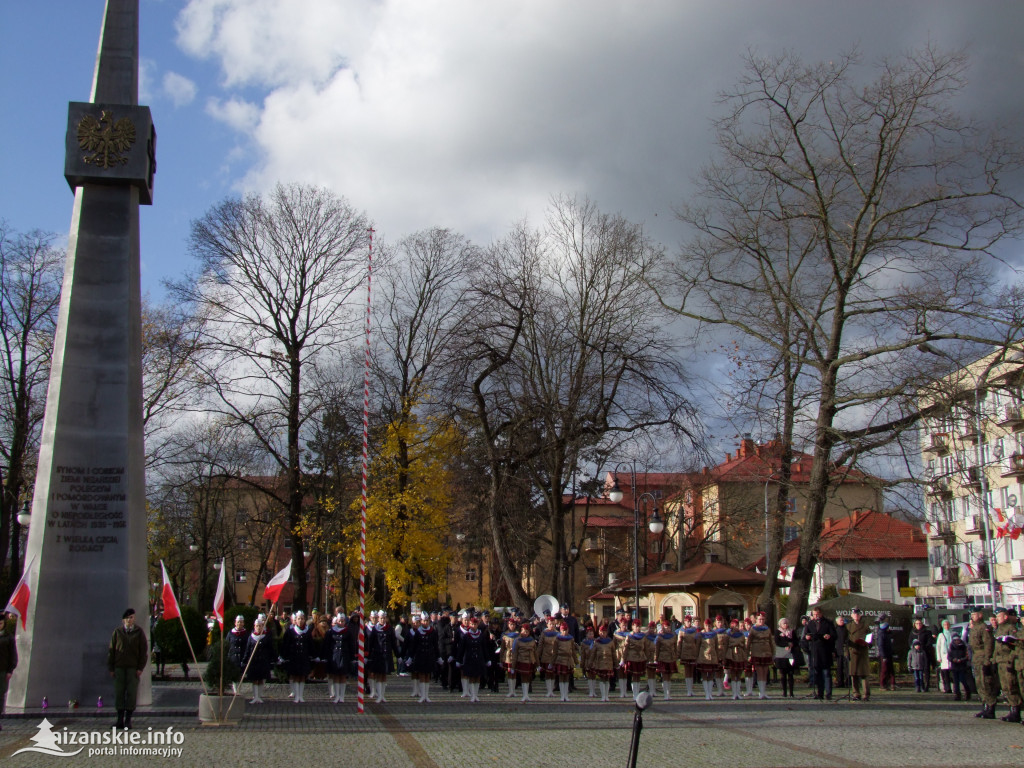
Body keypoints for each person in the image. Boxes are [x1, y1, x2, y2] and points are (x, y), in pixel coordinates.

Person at [107, 607, 147, 730]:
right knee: (119, 693)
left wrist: (140, 667)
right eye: (128, 618)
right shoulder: (117, 632)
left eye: (132, 618)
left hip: (132, 668)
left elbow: (143, 652)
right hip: (119, 667)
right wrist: (111, 668)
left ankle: (128, 720)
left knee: (131, 693)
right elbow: (112, 651)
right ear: (123, 620)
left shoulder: (139, 632)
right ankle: (119, 720)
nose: (130, 620)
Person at [993, 607, 1021, 722]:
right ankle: (1011, 709)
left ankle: (1016, 711)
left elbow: (1016, 647)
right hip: (1001, 661)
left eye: (999, 616)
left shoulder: (1011, 628)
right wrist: (993, 660)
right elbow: (996, 647)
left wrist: (1011, 660)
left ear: (1005, 616)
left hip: (1008, 660)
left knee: (1011, 685)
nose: (997, 619)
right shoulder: (999, 629)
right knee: (1005, 687)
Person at [968, 607, 997, 719]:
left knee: (986, 684)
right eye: (972, 615)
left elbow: (988, 645)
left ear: (980, 615)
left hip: (983, 658)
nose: (972, 617)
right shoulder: (974, 628)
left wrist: (987, 661)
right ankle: (985, 706)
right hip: (976, 659)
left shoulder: (984, 628)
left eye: (974, 614)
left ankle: (990, 707)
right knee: (979, 684)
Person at [279, 611, 313, 703]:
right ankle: (296, 695)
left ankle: (301, 696)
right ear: (295, 620)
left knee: (302, 676)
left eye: (302, 619)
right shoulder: (290, 631)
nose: (300, 620)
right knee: (295, 676)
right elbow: (285, 644)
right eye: (299, 619)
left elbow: (310, 645)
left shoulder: (307, 631)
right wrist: (283, 656)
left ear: (305, 619)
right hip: (294, 657)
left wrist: (312, 655)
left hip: (304, 657)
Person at [457, 615, 491, 703]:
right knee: (471, 677)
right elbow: (461, 648)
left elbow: (484, 648)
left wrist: (487, 659)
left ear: (477, 625)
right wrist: (459, 660)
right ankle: (472, 695)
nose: (473, 626)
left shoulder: (481, 635)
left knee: (478, 677)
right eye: (471, 624)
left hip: (479, 658)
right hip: (469, 658)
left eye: (475, 624)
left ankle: (476, 694)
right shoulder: (466, 635)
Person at [804, 607, 836, 700]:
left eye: (817, 614)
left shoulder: (828, 623)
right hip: (815, 651)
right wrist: (807, 637)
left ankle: (828, 693)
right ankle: (820, 693)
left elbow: (834, 635)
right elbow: (806, 635)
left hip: (825, 651)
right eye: (814, 614)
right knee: (817, 673)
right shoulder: (810, 623)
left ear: (821, 614)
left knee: (826, 673)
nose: (815, 616)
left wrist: (829, 636)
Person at [243, 614, 275, 704]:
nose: (258, 627)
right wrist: (245, 660)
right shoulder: (251, 637)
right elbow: (247, 650)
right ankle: (255, 696)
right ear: (254, 626)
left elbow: (271, 649)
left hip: (263, 661)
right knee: (254, 679)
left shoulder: (266, 637)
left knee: (261, 679)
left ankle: (259, 696)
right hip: (254, 661)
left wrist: (274, 659)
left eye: (260, 626)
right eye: (257, 626)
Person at [367, 610, 397, 703]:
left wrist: (398, 655)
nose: (383, 620)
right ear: (378, 619)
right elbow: (370, 643)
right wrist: (368, 655)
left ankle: (382, 695)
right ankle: (378, 695)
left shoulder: (390, 629)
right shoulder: (375, 629)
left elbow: (393, 642)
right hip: (377, 655)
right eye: (381, 618)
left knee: (384, 675)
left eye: (384, 618)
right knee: (378, 675)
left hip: (386, 654)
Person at [326, 613, 355, 704]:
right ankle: (336, 695)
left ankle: (342, 696)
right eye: (339, 621)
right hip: (335, 656)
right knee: (336, 676)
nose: (341, 623)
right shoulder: (331, 632)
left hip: (344, 655)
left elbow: (351, 645)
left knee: (343, 676)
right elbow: (327, 645)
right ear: (336, 621)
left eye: (342, 621)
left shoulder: (348, 632)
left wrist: (352, 656)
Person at [845, 607, 871, 702]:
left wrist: (868, 643)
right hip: (853, 651)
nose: (856, 615)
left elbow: (870, 637)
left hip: (863, 651)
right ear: (852, 615)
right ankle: (856, 693)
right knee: (854, 674)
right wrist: (846, 652)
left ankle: (866, 694)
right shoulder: (848, 626)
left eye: (858, 614)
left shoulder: (865, 625)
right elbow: (846, 641)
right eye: (854, 614)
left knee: (864, 674)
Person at [747, 611, 774, 699]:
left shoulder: (767, 629)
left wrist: (773, 653)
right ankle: (760, 692)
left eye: (762, 619)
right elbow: (749, 642)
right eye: (759, 619)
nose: (761, 621)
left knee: (765, 672)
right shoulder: (753, 629)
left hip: (766, 652)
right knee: (759, 672)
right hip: (757, 651)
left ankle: (764, 691)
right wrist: (747, 653)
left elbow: (771, 642)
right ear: (756, 620)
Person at [620, 618, 650, 700]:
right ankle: (635, 694)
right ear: (632, 626)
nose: (637, 628)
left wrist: (647, 659)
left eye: (639, 626)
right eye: (636, 626)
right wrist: (623, 659)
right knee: (634, 676)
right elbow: (625, 649)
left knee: (638, 676)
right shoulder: (629, 636)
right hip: (631, 657)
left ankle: (637, 694)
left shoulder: (643, 636)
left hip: (640, 658)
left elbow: (646, 648)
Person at [511, 620, 538, 702]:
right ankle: (524, 694)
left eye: (527, 632)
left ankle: (527, 695)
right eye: (524, 631)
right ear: (521, 631)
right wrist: (513, 666)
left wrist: (538, 664)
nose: (525, 633)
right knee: (523, 678)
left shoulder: (532, 640)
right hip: (521, 660)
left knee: (528, 678)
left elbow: (535, 652)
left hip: (530, 661)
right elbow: (515, 654)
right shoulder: (517, 640)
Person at [590, 623, 617, 701]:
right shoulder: (596, 642)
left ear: (606, 633)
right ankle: (603, 695)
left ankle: (606, 695)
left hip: (609, 663)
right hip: (600, 663)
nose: (602, 634)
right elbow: (593, 654)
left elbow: (613, 653)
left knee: (607, 679)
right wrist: (591, 663)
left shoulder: (610, 642)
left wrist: (616, 663)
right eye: (601, 632)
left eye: (604, 632)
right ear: (599, 632)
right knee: (602, 679)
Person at [653, 618, 678, 700]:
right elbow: (657, 648)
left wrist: (675, 656)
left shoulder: (673, 636)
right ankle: (665, 694)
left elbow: (675, 647)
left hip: (671, 657)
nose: (668, 629)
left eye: (669, 627)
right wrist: (656, 658)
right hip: (663, 657)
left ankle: (668, 693)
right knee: (664, 676)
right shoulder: (659, 637)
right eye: (666, 627)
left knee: (669, 676)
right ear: (663, 628)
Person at [676, 614, 701, 697]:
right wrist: (678, 654)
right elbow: (679, 643)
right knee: (687, 671)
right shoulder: (682, 631)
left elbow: (697, 642)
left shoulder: (695, 630)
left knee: (692, 670)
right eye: (687, 621)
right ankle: (688, 689)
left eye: (690, 621)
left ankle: (691, 689)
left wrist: (697, 653)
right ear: (684, 622)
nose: (688, 623)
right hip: (685, 652)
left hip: (693, 651)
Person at [0, 612, 17, 730]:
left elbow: (13, 655)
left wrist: (10, 670)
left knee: (0, 696)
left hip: (2, 670)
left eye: (0, 623)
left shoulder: (8, 637)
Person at [724, 618, 749, 700]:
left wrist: (746, 656)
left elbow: (745, 646)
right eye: (734, 625)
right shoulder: (728, 635)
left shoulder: (742, 635)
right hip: (731, 654)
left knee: (739, 674)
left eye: (737, 625)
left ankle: (738, 693)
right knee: (733, 673)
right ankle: (734, 693)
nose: (736, 627)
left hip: (740, 654)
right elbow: (726, 646)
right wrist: (724, 657)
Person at [696, 618, 721, 700]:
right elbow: (698, 646)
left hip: (712, 656)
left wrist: (717, 657)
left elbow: (716, 647)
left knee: (711, 675)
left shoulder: (714, 635)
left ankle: (710, 693)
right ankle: (706, 693)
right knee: (704, 675)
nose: (708, 627)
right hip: (703, 656)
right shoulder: (701, 635)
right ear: (704, 625)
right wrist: (696, 657)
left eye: (709, 625)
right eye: (706, 625)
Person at [552, 621, 577, 702]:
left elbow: (573, 651)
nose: (564, 632)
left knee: (567, 678)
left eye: (566, 630)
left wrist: (576, 662)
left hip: (568, 660)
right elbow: (554, 652)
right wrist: (552, 662)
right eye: (563, 630)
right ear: (560, 630)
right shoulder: (557, 639)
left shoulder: (571, 639)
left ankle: (566, 695)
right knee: (561, 678)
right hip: (560, 659)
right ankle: (562, 695)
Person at [774, 617, 797, 698]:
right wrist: (785, 645)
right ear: (780, 624)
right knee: (783, 674)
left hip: (790, 654)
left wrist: (791, 644)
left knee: (790, 674)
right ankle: (784, 691)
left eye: (786, 623)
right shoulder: (778, 632)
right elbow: (777, 641)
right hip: (781, 654)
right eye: (784, 623)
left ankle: (791, 692)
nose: (786, 625)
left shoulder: (792, 631)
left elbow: (796, 640)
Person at [909, 617, 934, 692]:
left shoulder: (927, 632)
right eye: (917, 623)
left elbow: (930, 642)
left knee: (926, 669)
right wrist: (914, 648)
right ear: (914, 624)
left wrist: (922, 647)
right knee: (917, 671)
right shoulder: (912, 632)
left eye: (920, 623)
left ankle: (926, 685)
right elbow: (910, 642)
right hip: (915, 654)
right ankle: (919, 685)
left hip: (925, 653)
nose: (918, 625)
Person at [226, 615, 247, 694]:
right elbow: (227, 644)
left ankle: (239, 690)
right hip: (233, 658)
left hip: (242, 657)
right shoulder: (230, 633)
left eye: (241, 622)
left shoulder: (245, 634)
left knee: (241, 675)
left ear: (243, 623)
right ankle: (235, 691)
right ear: (235, 623)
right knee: (234, 675)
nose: (239, 624)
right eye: (238, 622)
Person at [947, 630, 970, 702]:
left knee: (963, 680)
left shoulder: (963, 647)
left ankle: (967, 693)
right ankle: (957, 695)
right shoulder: (951, 647)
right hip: (954, 666)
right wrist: (953, 660)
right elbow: (949, 656)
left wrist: (961, 660)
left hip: (962, 666)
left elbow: (967, 656)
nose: (957, 641)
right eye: (955, 640)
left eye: (958, 640)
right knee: (956, 682)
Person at [875, 614, 896, 691]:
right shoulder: (881, 634)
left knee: (891, 669)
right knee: (884, 670)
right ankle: (883, 685)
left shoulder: (887, 633)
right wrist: (883, 656)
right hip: (884, 655)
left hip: (888, 653)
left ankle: (892, 684)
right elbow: (880, 645)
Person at [935, 619, 954, 694]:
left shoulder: (952, 633)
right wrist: (938, 657)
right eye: (945, 625)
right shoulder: (941, 635)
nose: (946, 626)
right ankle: (947, 688)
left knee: (952, 673)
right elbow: (938, 646)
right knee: (945, 673)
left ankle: (953, 688)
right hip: (944, 656)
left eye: (948, 625)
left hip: (951, 655)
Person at [833, 615, 849, 689]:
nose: (842, 621)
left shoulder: (846, 629)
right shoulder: (835, 629)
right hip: (838, 650)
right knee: (839, 667)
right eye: (840, 620)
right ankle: (840, 682)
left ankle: (848, 682)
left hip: (846, 650)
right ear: (837, 622)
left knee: (847, 667)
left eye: (842, 620)